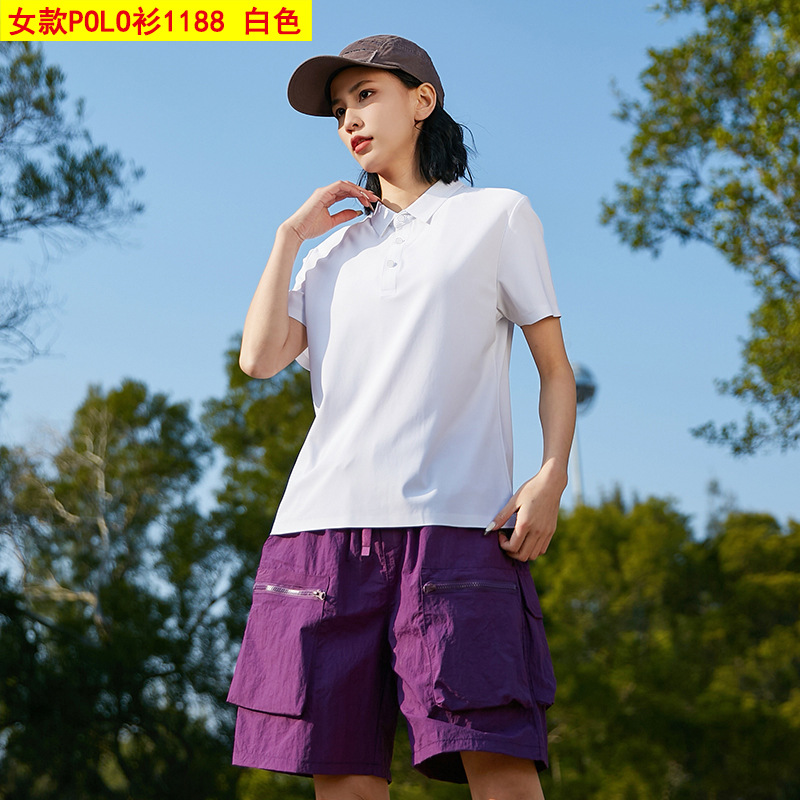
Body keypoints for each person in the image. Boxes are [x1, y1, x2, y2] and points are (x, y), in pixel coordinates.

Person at [226, 34, 576, 800]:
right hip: (321, 536)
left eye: (366, 95)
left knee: (499, 763)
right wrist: (289, 237)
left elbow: (555, 368)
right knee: (343, 778)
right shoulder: (328, 254)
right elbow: (258, 359)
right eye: (338, 108)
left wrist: (550, 475)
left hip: (457, 530)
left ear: (423, 100)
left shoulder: (495, 216)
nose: (349, 118)